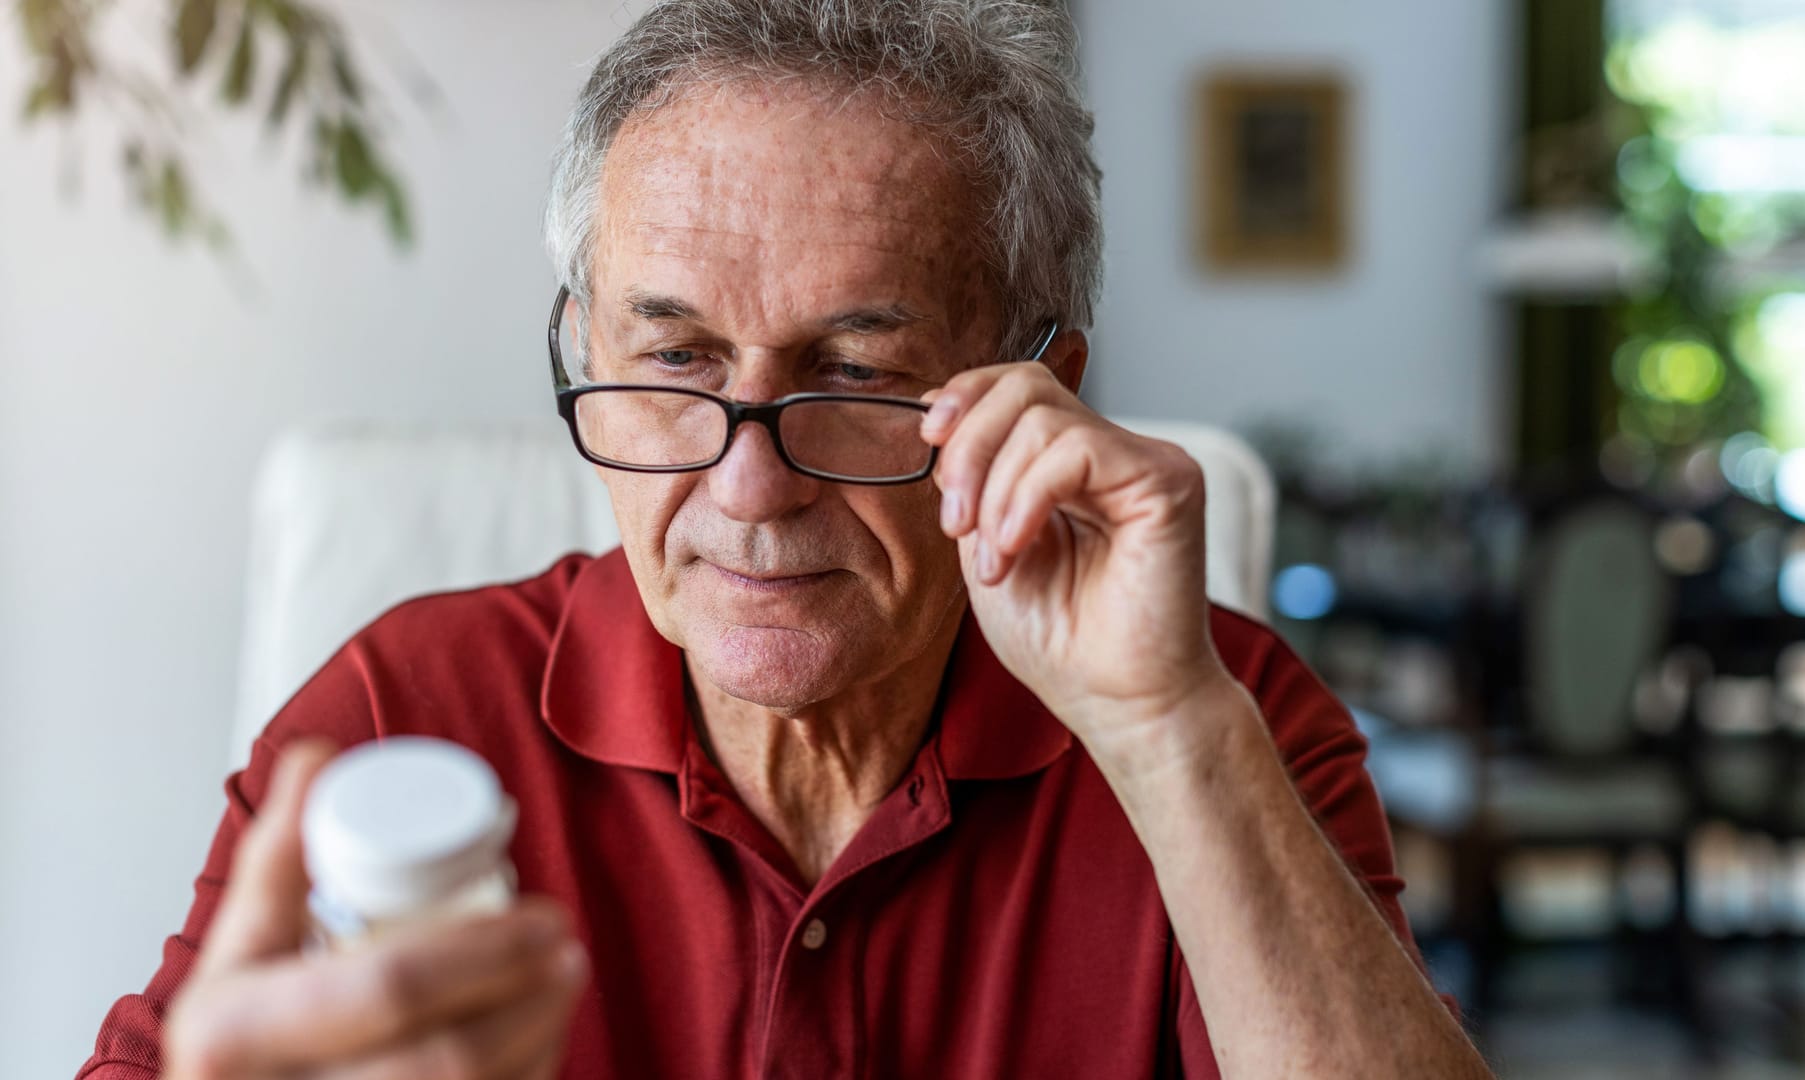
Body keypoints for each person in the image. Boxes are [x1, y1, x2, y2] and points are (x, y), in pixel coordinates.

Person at [81, 2, 1488, 1077]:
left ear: (1040, 385)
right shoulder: (400, 715)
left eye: (860, 378)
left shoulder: (1224, 723)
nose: (747, 490)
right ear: (583, 351)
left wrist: (1176, 734)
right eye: (675, 358)